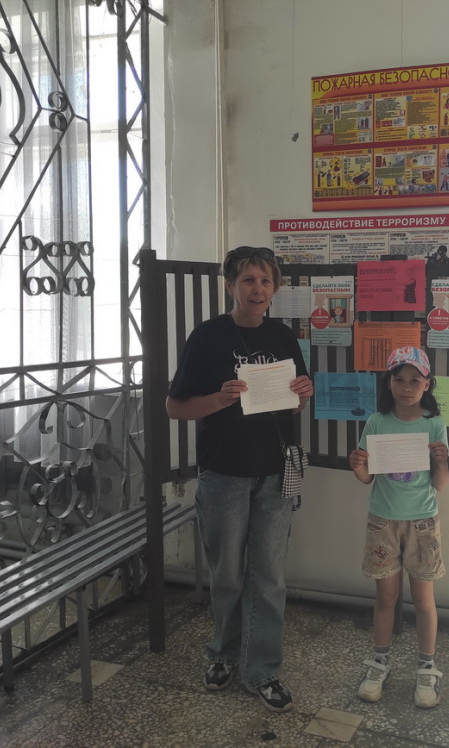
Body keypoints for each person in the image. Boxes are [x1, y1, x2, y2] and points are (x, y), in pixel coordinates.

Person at [166, 245, 314, 714]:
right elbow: (175, 407)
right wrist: (220, 399)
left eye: (266, 281)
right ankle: (223, 654)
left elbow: (294, 402)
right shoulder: (208, 336)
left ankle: (263, 670)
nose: (258, 289)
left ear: (275, 289)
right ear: (230, 285)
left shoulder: (284, 336)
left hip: (275, 472)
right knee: (227, 575)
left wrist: (303, 394)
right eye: (248, 280)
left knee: (268, 577)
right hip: (224, 473)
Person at [347, 346, 449, 709]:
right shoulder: (377, 421)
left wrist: (442, 462)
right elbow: (366, 477)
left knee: (424, 601)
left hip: (423, 522)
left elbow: (440, 484)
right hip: (383, 521)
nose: (407, 387)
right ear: (388, 383)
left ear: (427, 384)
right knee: (385, 598)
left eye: (414, 380)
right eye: (399, 379)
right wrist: (357, 464)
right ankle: (379, 661)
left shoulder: (434, 424)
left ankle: (427, 667)